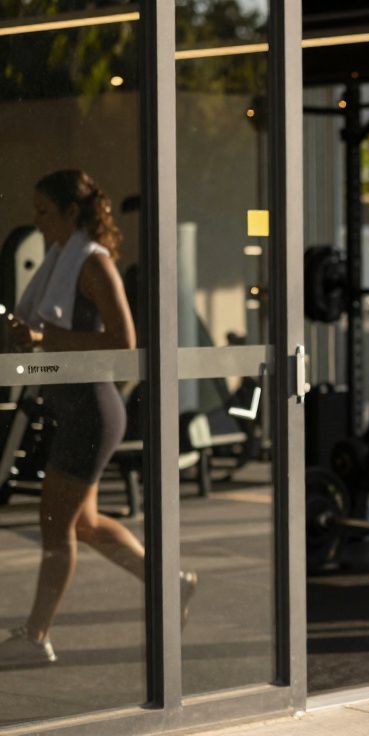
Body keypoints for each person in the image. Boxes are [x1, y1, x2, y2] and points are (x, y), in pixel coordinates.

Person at [0, 170, 198, 666]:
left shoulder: (93, 264)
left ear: (71, 213)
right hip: (76, 409)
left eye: (46, 212)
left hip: (91, 411)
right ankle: (170, 584)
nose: (38, 221)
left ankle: (36, 633)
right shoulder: (60, 260)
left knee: (55, 525)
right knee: (83, 523)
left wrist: (44, 340)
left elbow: (124, 342)